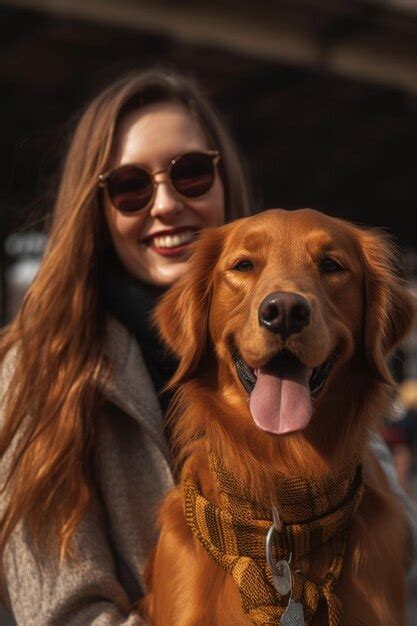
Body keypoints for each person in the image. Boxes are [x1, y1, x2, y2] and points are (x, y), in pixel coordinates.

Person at [0, 68, 415, 626]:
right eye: (130, 186)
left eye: (190, 174)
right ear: (93, 208)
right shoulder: (34, 373)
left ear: (222, 180)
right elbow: (64, 614)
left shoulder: (347, 412)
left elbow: (404, 569)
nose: (166, 203)